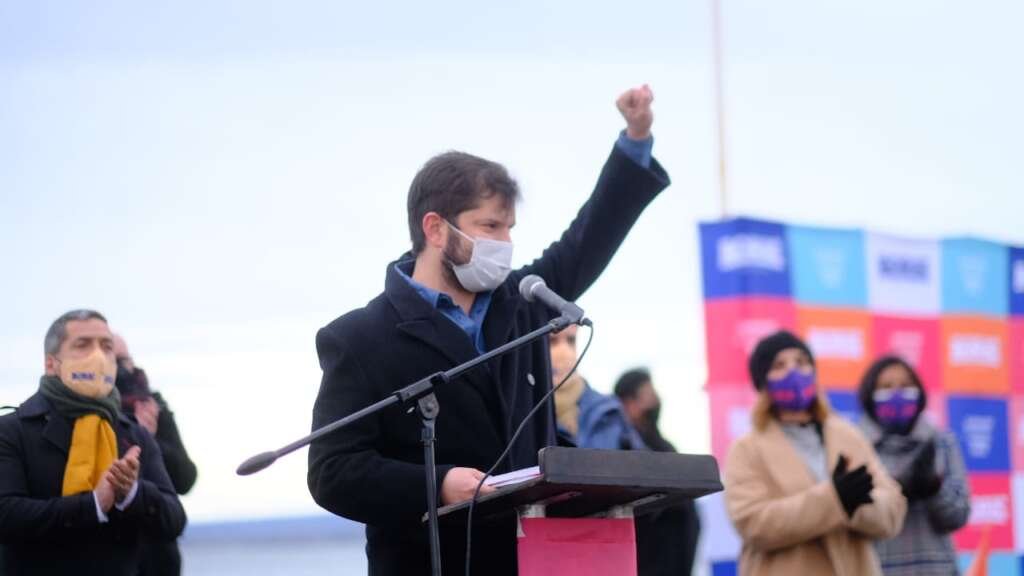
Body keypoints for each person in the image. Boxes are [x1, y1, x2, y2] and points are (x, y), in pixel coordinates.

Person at [307, 85, 670, 576]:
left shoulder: (523, 301)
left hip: (535, 561)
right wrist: (437, 484)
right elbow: (333, 472)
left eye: (510, 228)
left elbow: (589, 236)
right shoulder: (360, 337)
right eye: (490, 226)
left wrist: (636, 137)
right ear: (435, 229)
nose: (506, 243)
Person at [0, 310, 187, 575]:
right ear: (51, 363)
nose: (97, 356)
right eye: (82, 345)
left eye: (106, 346)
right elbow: (6, 515)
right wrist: (93, 505)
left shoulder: (133, 433)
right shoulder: (12, 430)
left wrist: (132, 492)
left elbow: (174, 519)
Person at [723, 330, 906, 576]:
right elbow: (754, 524)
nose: (793, 372)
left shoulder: (847, 435)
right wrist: (834, 499)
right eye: (779, 365)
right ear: (762, 382)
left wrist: (858, 505)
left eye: (801, 361)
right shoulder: (746, 450)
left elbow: (893, 510)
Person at [857, 356, 970, 575]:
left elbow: (957, 517)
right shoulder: (857, 447)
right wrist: (895, 491)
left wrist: (933, 490)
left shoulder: (941, 443)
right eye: (886, 386)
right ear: (870, 395)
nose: (897, 393)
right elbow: (853, 522)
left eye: (905, 385)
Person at [113, 334, 198, 576]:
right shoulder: (91, 412)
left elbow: (185, 479)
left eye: (124, 360)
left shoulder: (153, 406)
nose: (121, 369)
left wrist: (147, 438)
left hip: (158, 554)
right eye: (113, 359)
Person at [614, 368, 701, 576]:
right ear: (628, 403)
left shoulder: (663, 445)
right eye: (647, 394)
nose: (654, 400)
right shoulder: (620, 448)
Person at [550, 325, 645, 450]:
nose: (564, 352)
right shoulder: (525, 412)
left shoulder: (608, 411)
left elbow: (643, 464)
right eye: (552, 341)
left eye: (571, 340)